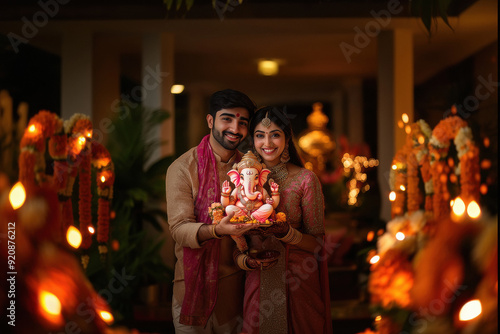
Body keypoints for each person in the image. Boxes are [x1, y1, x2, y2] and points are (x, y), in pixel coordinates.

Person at [166, 89, 261, 333]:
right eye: (227, 119)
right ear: (210, 121)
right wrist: (216, 230)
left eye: (242, 122)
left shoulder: (250, 169)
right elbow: (179, 229)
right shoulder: (182, 168)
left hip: (234, 291)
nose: (235, 128)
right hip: (191, 288)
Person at [239, 106, 333, 334]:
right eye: (260, 135)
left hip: (298, 282)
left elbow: (318, 244)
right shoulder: (243, 181)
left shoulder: (305, 179)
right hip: (258, 279)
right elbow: (236, 241)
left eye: (275, 134)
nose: (267, 142)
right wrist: (246, 262)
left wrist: (287, 234)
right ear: (253, 140)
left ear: (287, 138)